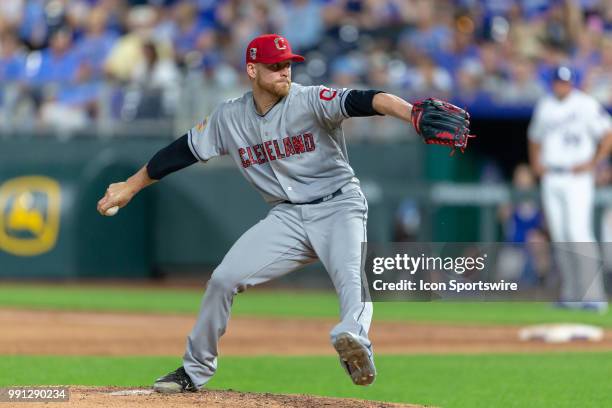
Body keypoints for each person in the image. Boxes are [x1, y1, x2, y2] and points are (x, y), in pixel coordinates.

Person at [97, 33, 466, 393]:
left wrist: (411, 113)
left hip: (339, 206)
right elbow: (182, 152)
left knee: (351, 279)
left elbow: (365, 100)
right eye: (275, 67)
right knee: (224, 279)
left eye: (288, 64)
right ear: (252, 70)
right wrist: (130, 185)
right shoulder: (230, 118)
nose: (285, 72)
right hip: (287, 218)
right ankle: (194, 371)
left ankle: (355, 343)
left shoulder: (310, 100)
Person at [528, 65, 612, 312]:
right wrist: (535, 163)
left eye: (565, 82)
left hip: (577, 175)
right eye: (557, 81)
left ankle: (594, 296)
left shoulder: (585, 104)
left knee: (578, 232)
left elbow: (608, 134)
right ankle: (571, 295)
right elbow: (534, 137)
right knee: (561, 235)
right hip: (552, 174)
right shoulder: (545, 105)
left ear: (572, 83)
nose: (560, 86)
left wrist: (594, 162)